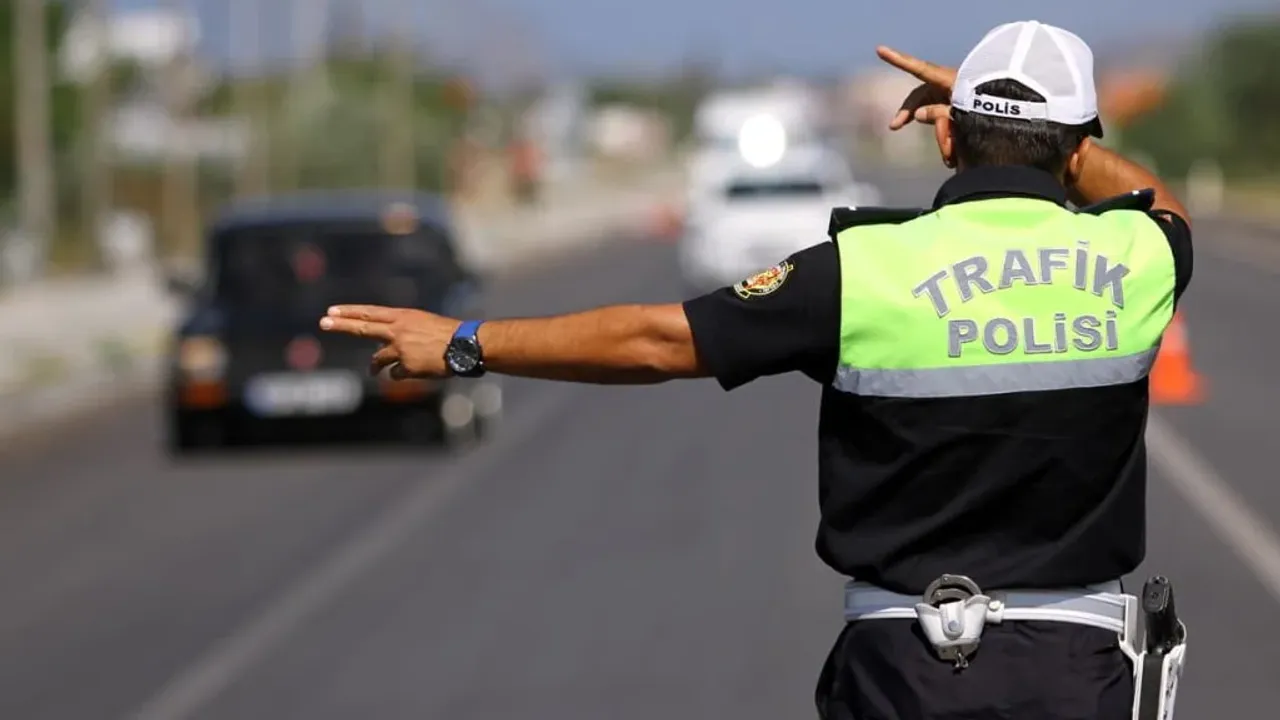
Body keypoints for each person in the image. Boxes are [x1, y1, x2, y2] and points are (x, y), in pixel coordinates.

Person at [320, 20, 1191, 720]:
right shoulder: (1138, 257)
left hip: (906, 670)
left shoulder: (860, 271)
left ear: (948, 137)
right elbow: (1159, 202)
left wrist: (467, 342)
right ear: (1075, 150)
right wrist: (1049, 137)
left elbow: (657, 340)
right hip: (1078, 671)